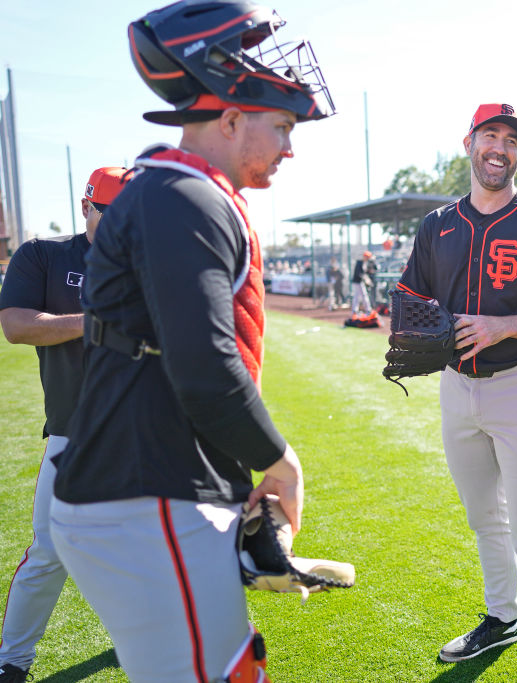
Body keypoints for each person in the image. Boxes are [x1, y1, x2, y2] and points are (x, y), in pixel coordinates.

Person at [46, 3, 334, 681]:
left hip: (147, 487)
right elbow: (204, 367)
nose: (290, 148)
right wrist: (279, 462)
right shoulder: (185, 197)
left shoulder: (179, 191)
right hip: (141, 498)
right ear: (230, 119)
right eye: (282, 127)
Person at [395, 103, 517, 683]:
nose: (498, 147)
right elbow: (408, 298)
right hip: (457, 388)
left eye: (510, 139)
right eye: (489, 135)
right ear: (469, 143)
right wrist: (417, 327)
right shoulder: (437, 225)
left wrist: (502, 326)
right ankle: (502, 618)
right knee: (486, 520)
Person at [0, 166, 132, 683]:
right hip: (74, 429)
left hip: (145, 432)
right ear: (87, 206)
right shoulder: (46, 255)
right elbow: (15, 325)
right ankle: (13, 660)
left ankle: (140, 632)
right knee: (51, 552)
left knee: (145, 545)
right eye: (111, 214)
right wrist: (96, 322)